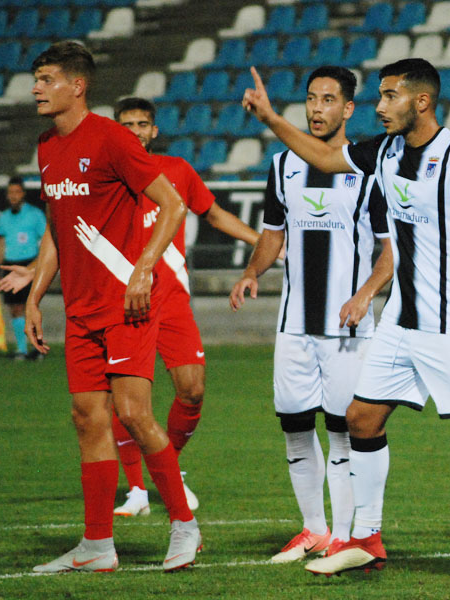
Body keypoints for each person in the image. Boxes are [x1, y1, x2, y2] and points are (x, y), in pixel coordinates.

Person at [241, 58, 450, 590]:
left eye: (390, 97)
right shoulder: (384, 151)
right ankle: (366, 539)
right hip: (399, 323)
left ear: (422, 102)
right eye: (380, 97)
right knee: (362, 419)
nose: (380, 107)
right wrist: (272, 119)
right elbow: (321, 154)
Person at [24, 41, 200, 573]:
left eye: (47, 78)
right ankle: (98, 545)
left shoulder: (112, 139)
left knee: (133, 414)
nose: (36, 87)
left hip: (126, 304)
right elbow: (59, 228)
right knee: (87, 419)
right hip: (79, 310)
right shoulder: (45, 148)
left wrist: (144, 267)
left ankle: (185, 528)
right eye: (36, 78)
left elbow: (172, 203)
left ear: (77, 86)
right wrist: (35, 295)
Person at [229, 66, 393, 563]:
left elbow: (390, 252)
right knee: (295, 427)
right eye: (311, 99)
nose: (317, 108)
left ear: (348, 109)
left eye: (328, 100)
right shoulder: (282, 166)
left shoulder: (369, 168)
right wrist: (253, 271)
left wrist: (366, 294)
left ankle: (345, 535)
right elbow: (273, 234)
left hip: (347, 327)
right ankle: (314, 529)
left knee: (345, 430)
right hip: (294, 324)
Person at [109, 96, 260, 518]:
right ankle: (137, 490)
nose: (135, 131)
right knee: (127, 404)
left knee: (192, 390)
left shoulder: (176, 171)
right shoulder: (107, 177)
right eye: (127, 124)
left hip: (172, 302)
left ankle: (165, 468)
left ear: (154, 130)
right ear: (115, 130)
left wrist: (265, 244)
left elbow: (214, 215)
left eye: (143, 124)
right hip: (125, 302)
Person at [0, 176, 46, 361]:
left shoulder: (35, 215)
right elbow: (1, 243)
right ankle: (21, 350)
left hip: (29, 265)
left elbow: (47, 241)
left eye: (17, 192)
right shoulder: (4, 217)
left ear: (23, 193)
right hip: (10, 265)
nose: (13, 196)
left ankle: (38, 348)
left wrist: (40, 264)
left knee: (30, 306)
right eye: (10, 192)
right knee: (14, 309)